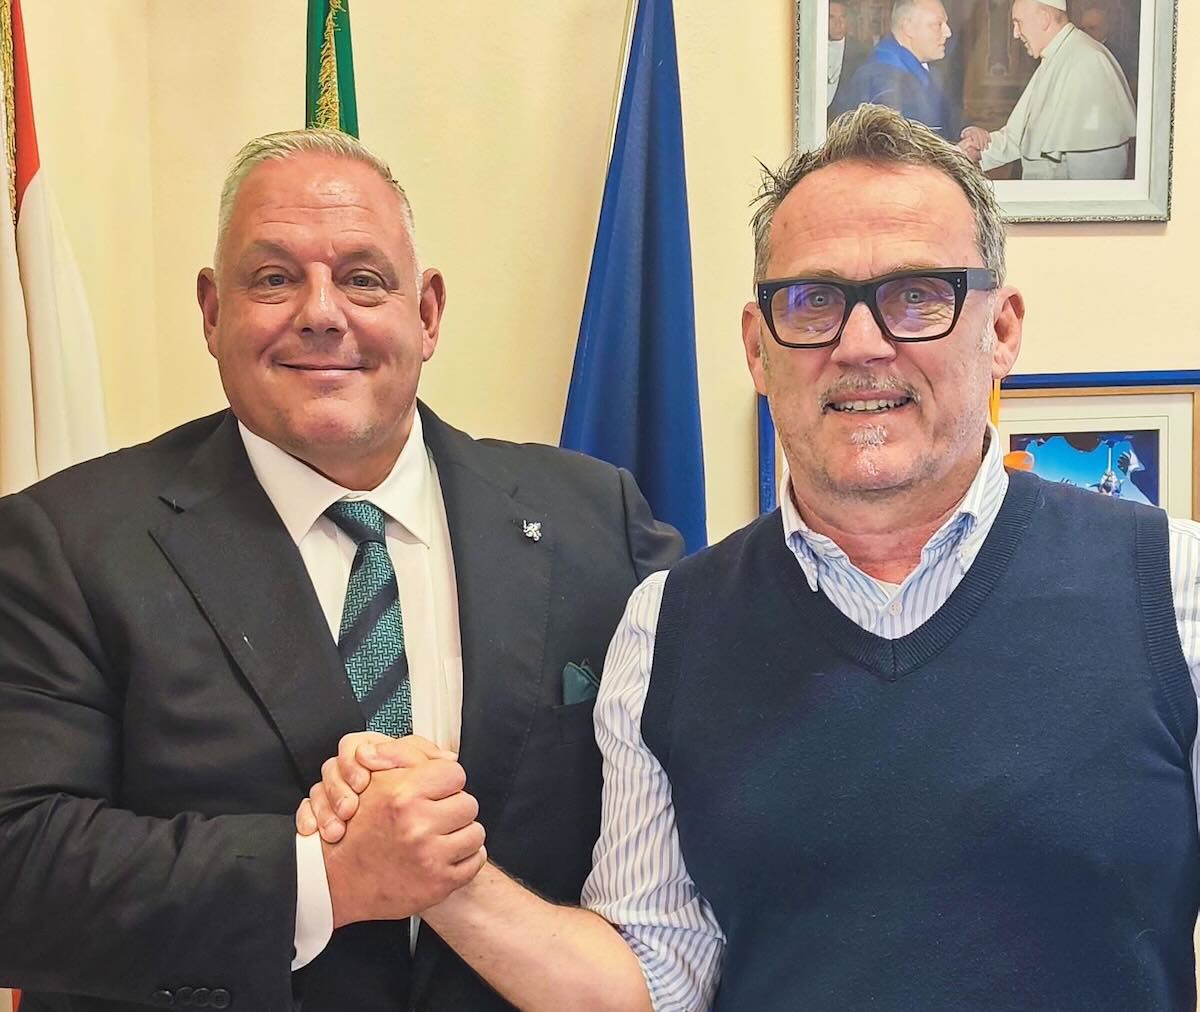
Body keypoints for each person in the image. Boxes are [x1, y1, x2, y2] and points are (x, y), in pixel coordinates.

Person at [302, 104, 1200, 1011]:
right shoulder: (668, 629)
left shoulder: (1171, 589)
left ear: (1000, 329)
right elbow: (650, 984)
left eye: (917, 295)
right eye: (812, 302)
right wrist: (438, 871)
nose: (860, 344)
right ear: (757, 349)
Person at [0, 129, 682, 1011]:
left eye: (362, 279)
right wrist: (323, 879)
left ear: (426, 313)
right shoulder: (65, 542)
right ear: (211, 311)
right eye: (273, 279)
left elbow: (697, 817)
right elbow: (16, 866)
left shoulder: (599, 523)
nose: (322, 313)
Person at [959, 0, 1136, 180]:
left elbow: (1094, 179)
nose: (1015, 34)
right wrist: (977, 151)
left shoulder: (1088, 62)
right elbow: (1019, 137)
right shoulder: (1056, 57)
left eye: (1018, 23)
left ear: (1044, 19)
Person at [831, 0, 957, 140]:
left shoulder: (927, 70)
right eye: (938, 24)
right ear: (908, 28)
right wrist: (955, 150)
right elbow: (894, 149)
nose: (948, 32)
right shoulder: (885, 81)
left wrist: (966, 131)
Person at [1079, 2, 1139, 98]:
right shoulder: (1077, 53)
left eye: (1092, 28)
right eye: (1082, 29)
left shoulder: (1118, 56)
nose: (1086, 33)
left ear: (1105, 28)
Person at [826, 1, 872, 116]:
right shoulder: (810, 49)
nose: (838, 23)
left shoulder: (861, 53)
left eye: (842, 17)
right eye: (831, 17)